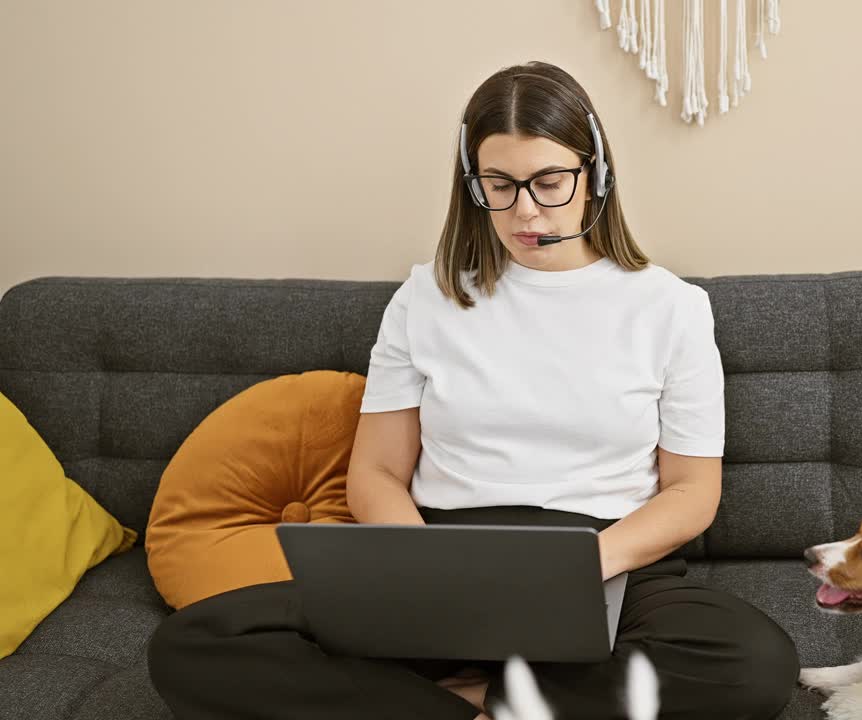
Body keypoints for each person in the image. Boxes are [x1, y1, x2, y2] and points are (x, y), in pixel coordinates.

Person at [147, 60, 799, 720]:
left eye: (548, 182)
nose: (524, 211)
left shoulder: (671, 307)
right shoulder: (424, 298)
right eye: (500, 184)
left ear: (595, 172)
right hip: (443, 551)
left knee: (755, 663)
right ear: (473, 183)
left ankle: (457, 699)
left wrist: (580, 571)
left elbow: (692, 491)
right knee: (194, 644)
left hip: (605, 560)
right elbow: (374, 472)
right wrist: (429, 573)